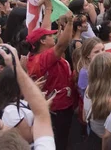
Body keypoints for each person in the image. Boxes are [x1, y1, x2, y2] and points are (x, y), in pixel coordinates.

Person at [26, 10, 75, 150]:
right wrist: (70, 22)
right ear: (42, 41)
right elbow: (62, 45)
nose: (54, 36)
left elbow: (50, 33)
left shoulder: (36, 56)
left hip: (61, 105)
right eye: (50, 36)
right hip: (57, 109)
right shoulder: (42, 59)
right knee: (59, 142)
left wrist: (48, 9)